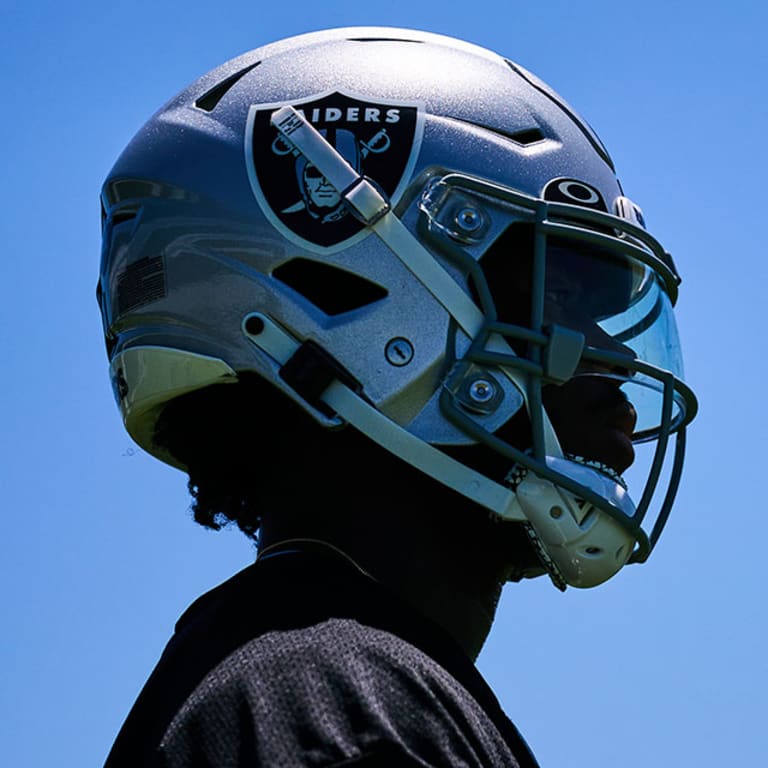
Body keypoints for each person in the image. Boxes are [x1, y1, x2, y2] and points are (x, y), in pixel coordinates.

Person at [97, 27, 698, 767]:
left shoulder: (314, 678)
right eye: (562, 291)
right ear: (345, 297)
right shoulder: (332, 703)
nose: (613, 356)